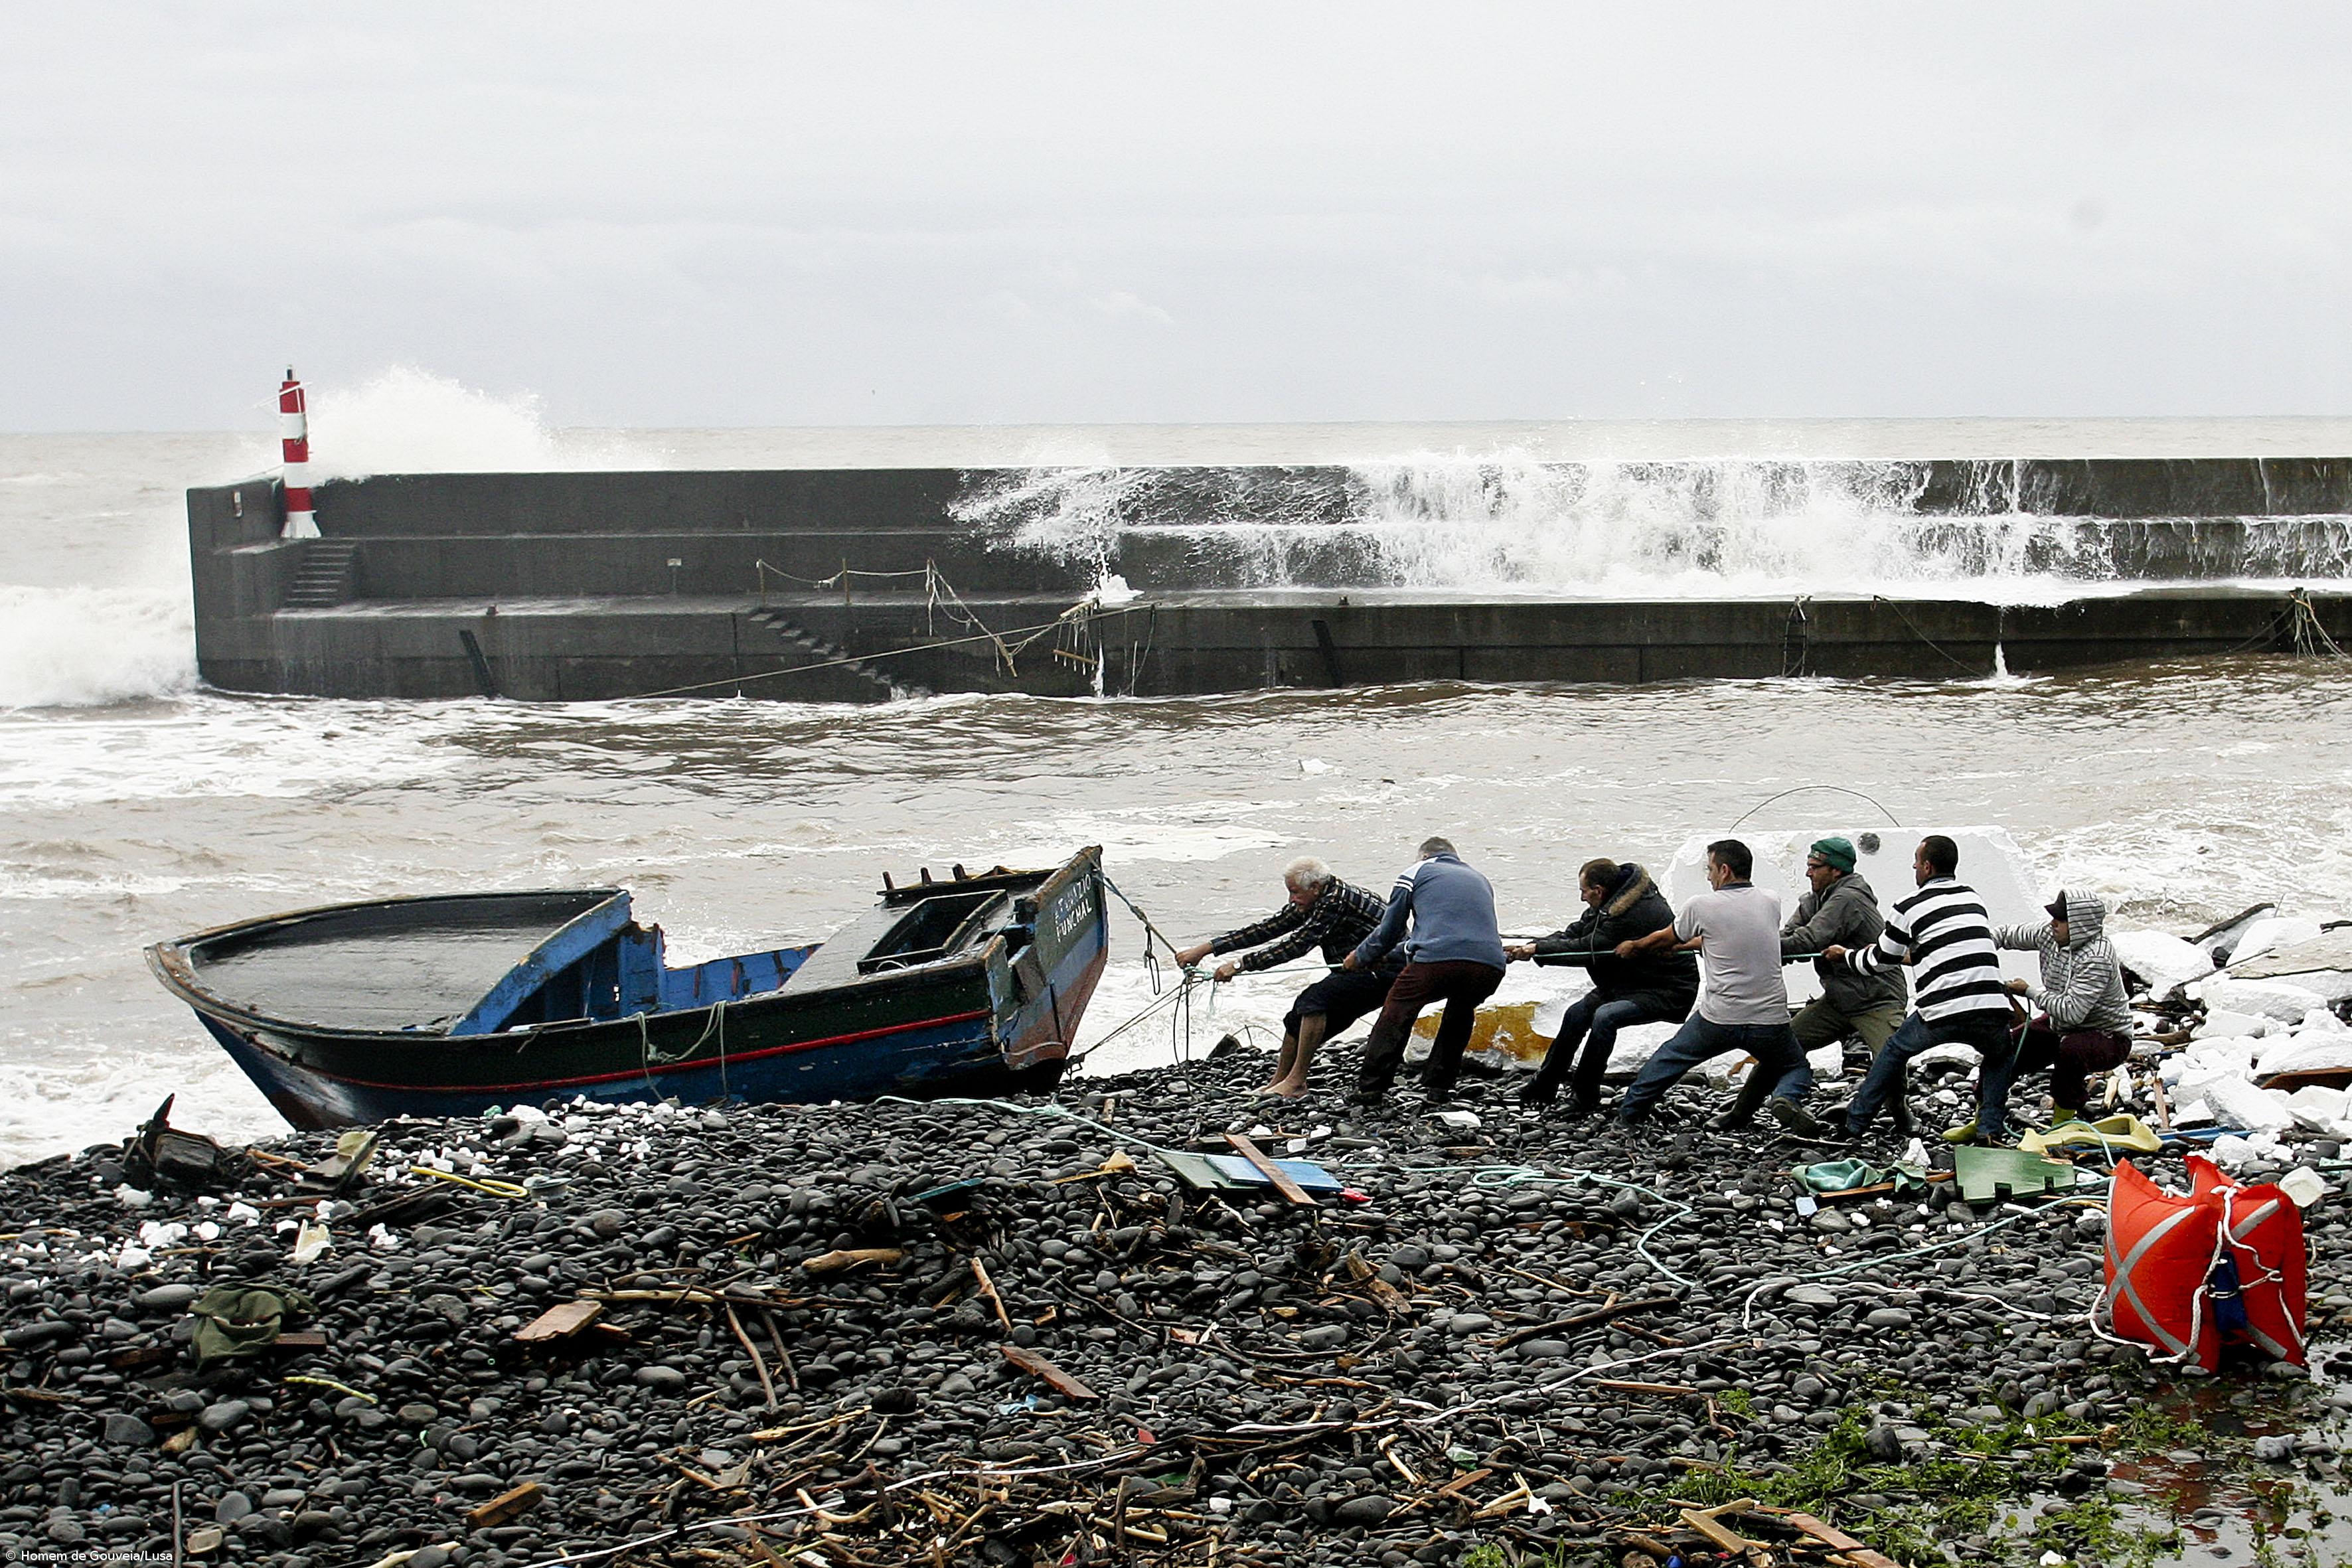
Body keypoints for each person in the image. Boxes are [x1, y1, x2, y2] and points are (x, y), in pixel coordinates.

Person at [1822, 834, 2018, 1145]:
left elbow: (1879, 961)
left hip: (1942, 1008)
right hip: (1991, 1004)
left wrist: (1844, 956)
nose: (1914, 868)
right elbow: (1938, 947)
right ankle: (1990, 1130)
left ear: (1926, 866)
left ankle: (1855, 1124)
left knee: (1895, 1051)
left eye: (1916, 862)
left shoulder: (1908, 905)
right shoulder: (1973, 898)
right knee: (1999, 1056)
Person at [1610, 839, 1808, 1127]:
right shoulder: (1770, 900)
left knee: (1671, 1057)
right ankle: (1787, 1098)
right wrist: (1683, 946)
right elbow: (1726, 936)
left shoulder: (1701, 905)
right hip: (1770, 1018)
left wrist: (1634, 946)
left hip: (1721, 1017)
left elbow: (1665, 938)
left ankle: (1630, 1113)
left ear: (1724, 870)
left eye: (1711, 869)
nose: (1708, 876)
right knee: (1795, 1065)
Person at [1172, 858, 1396, 1097]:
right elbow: (1270, 928)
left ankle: (1297, 1082)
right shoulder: (1318, 898)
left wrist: (1239, 965)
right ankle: (1279, 1082)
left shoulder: (1335, 901)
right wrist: (1206, 949)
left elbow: (1297, 946)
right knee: (1296, 1019)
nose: (1291, 899)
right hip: (1357, 971)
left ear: (1316, 887)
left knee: (1313, 1000)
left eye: (1295, 892)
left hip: (1387, 969)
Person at [1740, 837, 1913, 1138]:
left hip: (1878, 998)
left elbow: (1809, 940)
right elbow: (1790, 937)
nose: (1809, 873)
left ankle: (1900, 1112)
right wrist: (1756, 943)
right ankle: (1741, 1111)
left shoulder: (1850, 898)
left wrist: (1746, 945)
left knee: (1890, 1060)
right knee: (1781, 1046)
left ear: (1836, 871)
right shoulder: (1814, 901)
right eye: (1808, 866)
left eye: (1815, 867)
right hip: (1838, 999)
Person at [1504, 859, 1698, 1117]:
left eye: (1584, 891)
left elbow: (1589, 948)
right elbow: (1576, 933)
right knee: (1576, 1014)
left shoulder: (1637, 911)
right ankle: (1545, 1085)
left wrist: (1538, 951)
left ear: (1598, 890)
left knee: (1605, 1017)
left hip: (1667, 988)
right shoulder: (1614, 901)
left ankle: (1585, 1095)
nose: (1582, 898)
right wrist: (1530, 946)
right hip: (1628, 982)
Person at [1345, 837, 1508, 1107]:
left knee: (1398, 1010)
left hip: (1438, 961)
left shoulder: (1415, 872)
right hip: (1490, 964)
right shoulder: (1479, 878)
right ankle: (1440, 1086)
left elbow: (1389, 932)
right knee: (1460, 1012)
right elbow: (1447, 934)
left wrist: (1360, 957)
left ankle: (1371, 1088)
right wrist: (1389, 956)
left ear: (1423, 856)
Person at [1987, 890, 2136, 1129]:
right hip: (2060, 1023)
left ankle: (2062, 1124)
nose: (2054, 923)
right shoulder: (2050, 933)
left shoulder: (2096, 958)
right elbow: (2007, 935)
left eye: (2061, 919)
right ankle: (1983, 1119)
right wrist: (1980, 944)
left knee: (2071, 1051)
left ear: (2081, 925)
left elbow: (2072, 1011)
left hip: (2108, 1036)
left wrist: (2029, 992)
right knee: (2007, 1047)